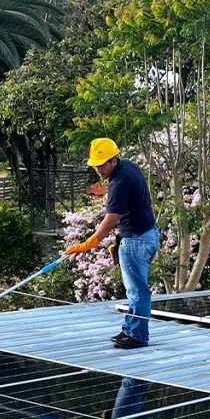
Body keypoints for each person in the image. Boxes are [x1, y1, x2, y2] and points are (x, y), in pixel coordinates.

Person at [65, 138, 159, 349]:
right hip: (145, 234)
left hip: (136, 241)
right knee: (134, 289)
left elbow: (110, 220)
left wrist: (87, 244)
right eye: (95, 165)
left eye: (102, 164)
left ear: (113, 160)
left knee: (137, 291)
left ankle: (138, 336)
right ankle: (130, 329)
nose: (98, 169)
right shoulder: (128, 167)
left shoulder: (119, 182)